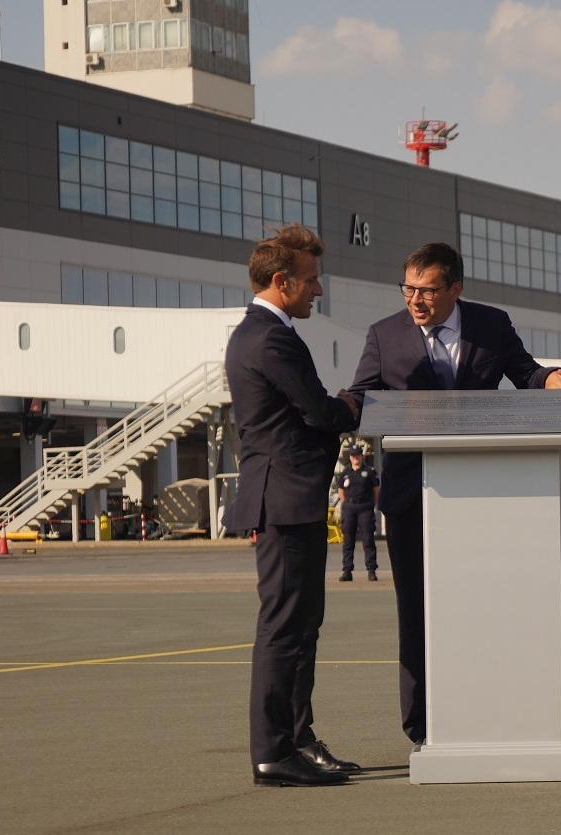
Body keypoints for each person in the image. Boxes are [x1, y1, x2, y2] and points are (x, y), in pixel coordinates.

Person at [348, 241, 561, 746]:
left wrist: (552, 379)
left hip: (483, 500)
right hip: (411, 499)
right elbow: (361, 396)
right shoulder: (383, 335)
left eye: (427, 291)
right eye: (408, 289)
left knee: (484, 610)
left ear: (455, 288)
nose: (415, 300)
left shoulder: (491, 324)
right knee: (416, 614)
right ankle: (422, 727)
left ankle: (487, 713)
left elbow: (526, 373)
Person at [223, 223, 362, 787]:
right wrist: (354, 403)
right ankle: (273, 751)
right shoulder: (269, 338)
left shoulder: (262, 333)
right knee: (284, 629)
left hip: (290, 501)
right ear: (282, 281)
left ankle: (297, 739)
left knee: (302, 627)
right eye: (311, 281)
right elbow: (319, 412)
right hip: (282, 501)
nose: (317, 290)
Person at [337, 445, 379, 582]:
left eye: (358, 455)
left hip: (365, 507)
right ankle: (347, 570)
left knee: (368, 539)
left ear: (362, 456)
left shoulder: (369, 471)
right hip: (349, 507)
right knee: (348, 541)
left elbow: (376, 490)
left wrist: (372, 504)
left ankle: (371, 570)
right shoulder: (345, 472)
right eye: (353, 455)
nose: (355, 457)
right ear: (350, 457)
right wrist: (346, 502)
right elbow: (341, 489)